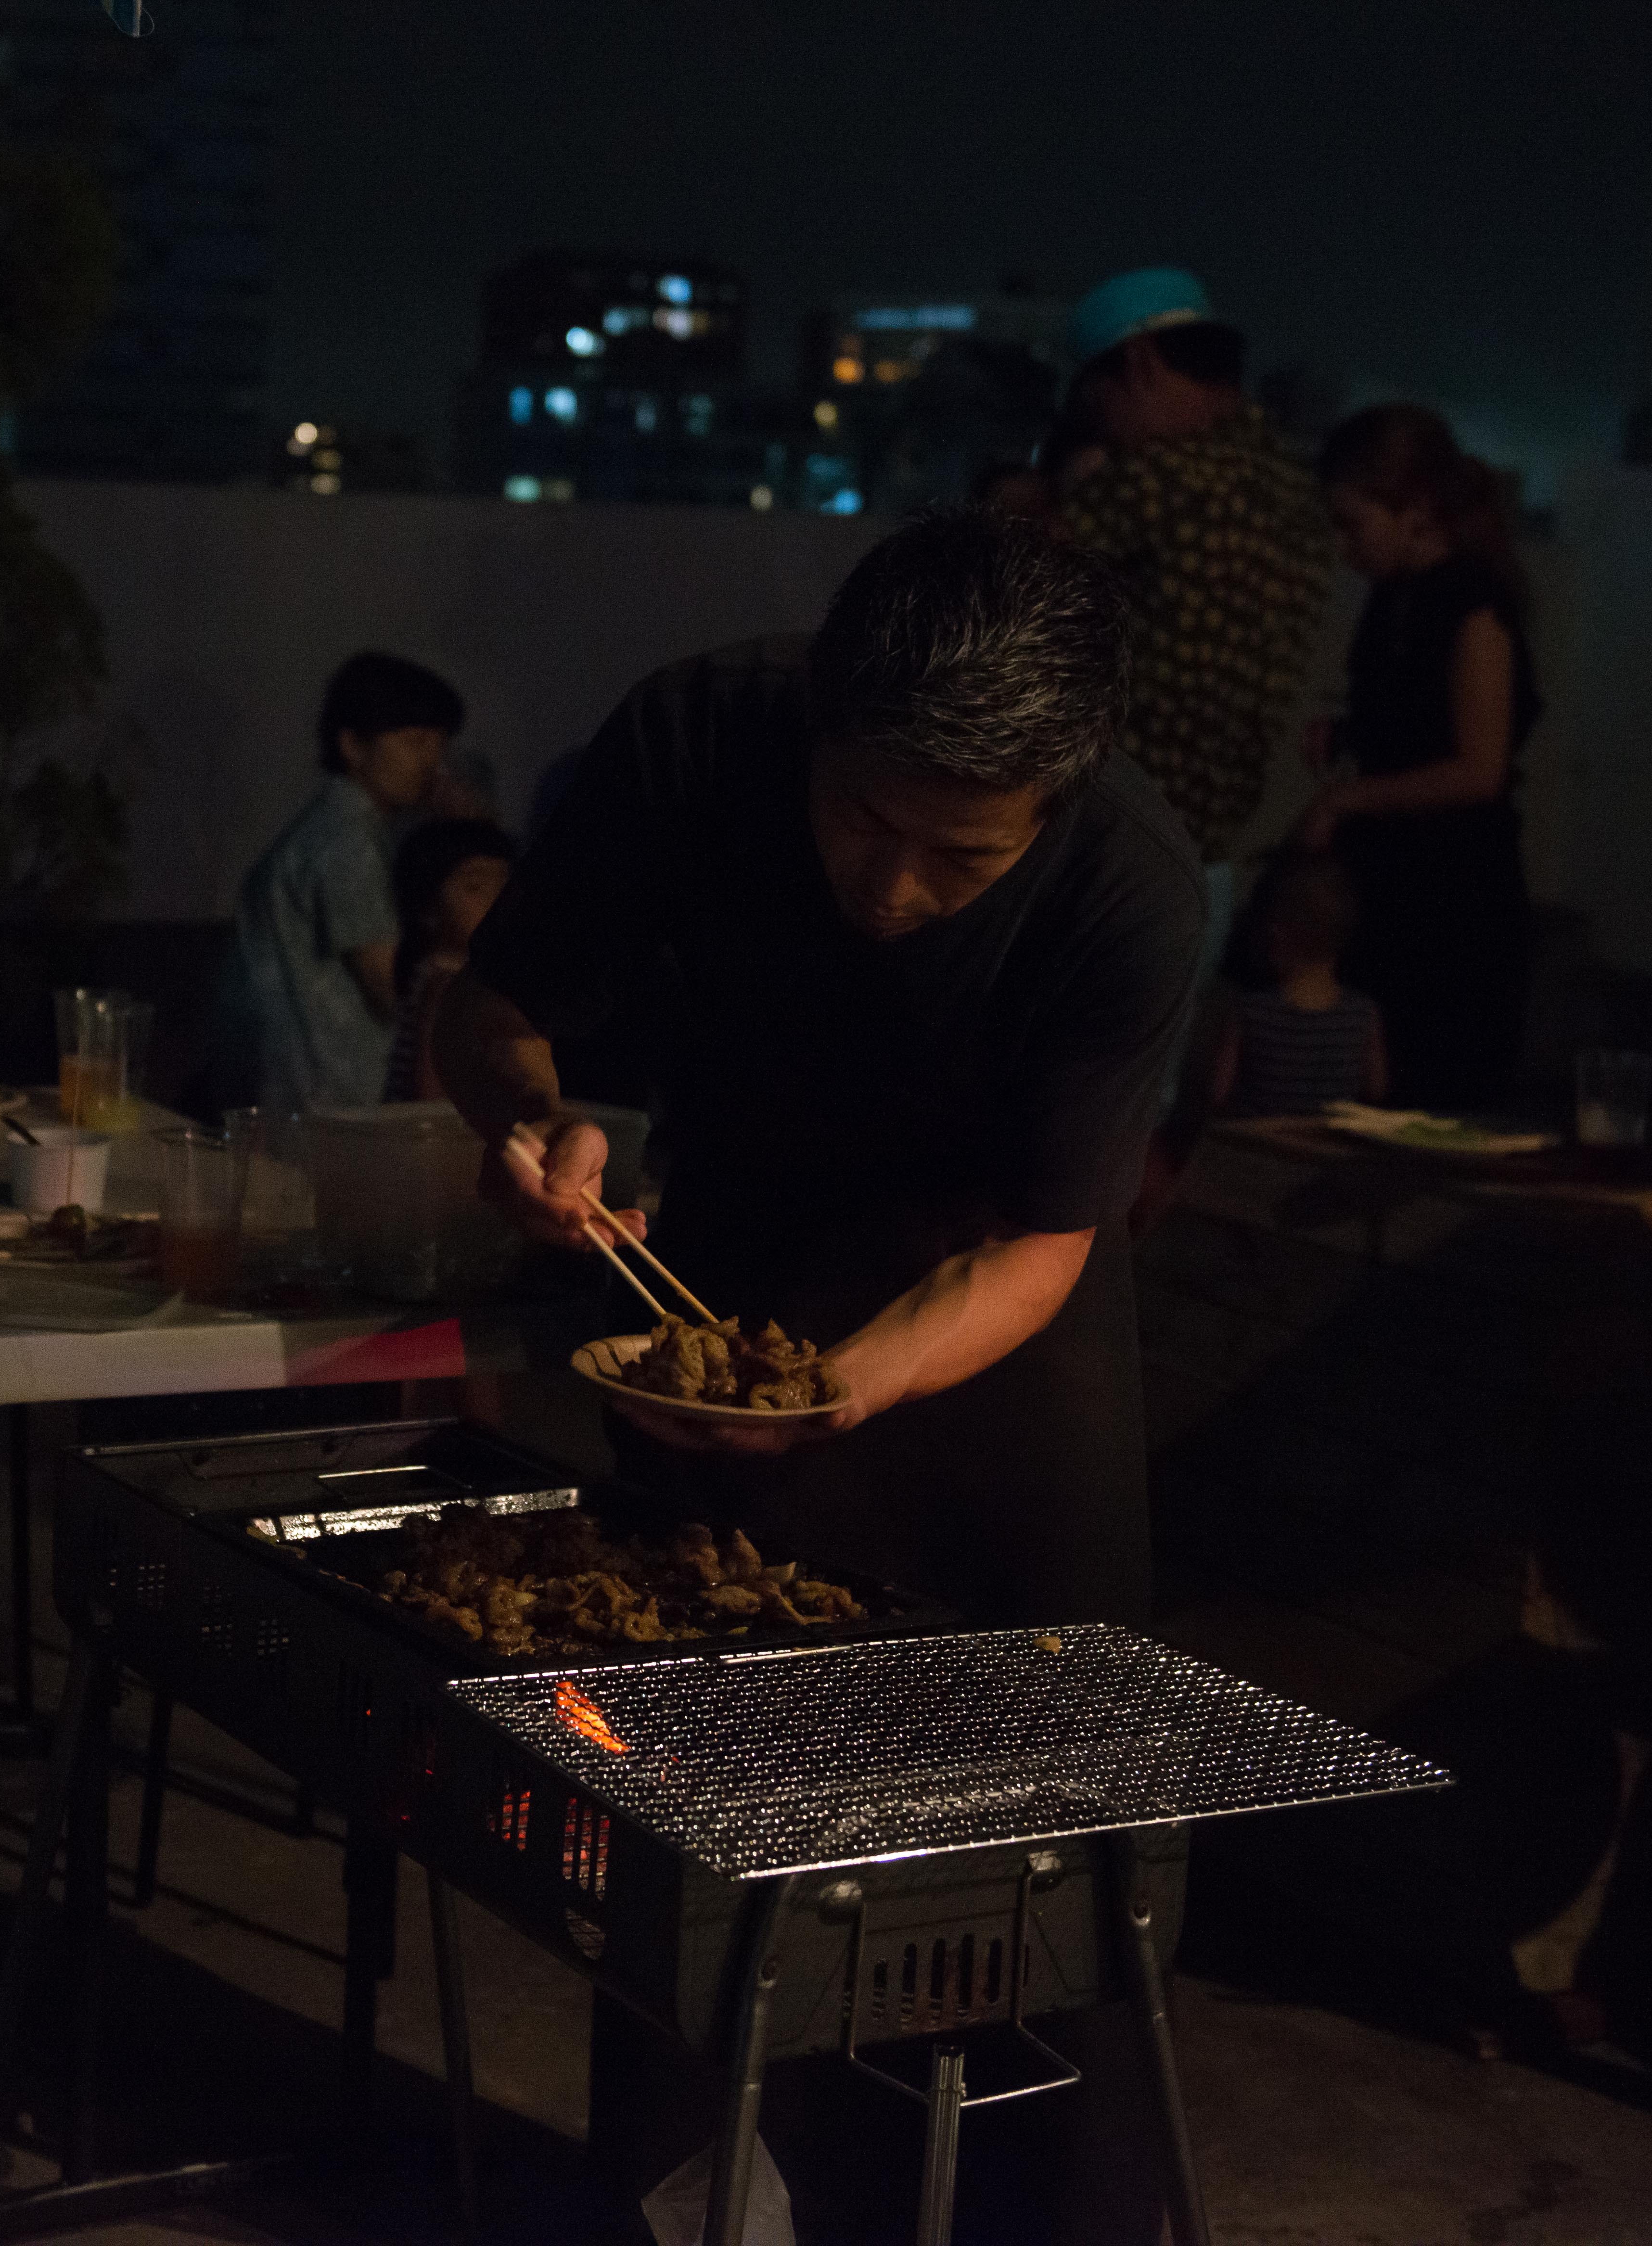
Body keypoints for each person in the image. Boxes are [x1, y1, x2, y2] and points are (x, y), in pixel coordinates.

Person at [434, 510, 1203, 2240]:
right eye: (861, 814)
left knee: (1047, 1815)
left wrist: (837, 1389)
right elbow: (486, 1006)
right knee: (709, 1806)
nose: (892, 884)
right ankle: (703, 2212)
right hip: (735, 1266)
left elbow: (1040, 1246)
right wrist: (529, 1120)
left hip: (996, 1308)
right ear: (820, 724)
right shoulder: (696, 732)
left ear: (1052, 801)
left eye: (958, 854)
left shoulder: (1129, 880)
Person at [1051, 267, 1337, 928]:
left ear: (1140, 365)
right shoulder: (1291, 484)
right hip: (1208, 858)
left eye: (1098, 402)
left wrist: (1066, 485)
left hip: (1106, 845)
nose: (1105, 430)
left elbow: (1016, 572)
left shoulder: (1158, 477)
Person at [1292, 403, 1544, 1109]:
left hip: (1452, 898)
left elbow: (1478, 769)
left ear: (1416, 509)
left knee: (1429, 1091)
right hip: (1396, 883)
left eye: (1353, 524)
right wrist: (1349, 732)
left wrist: (1346, 798)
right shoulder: (1396, 597)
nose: (1343, 546)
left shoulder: (1472, 605)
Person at [216, 651, 464, 1113]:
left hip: (298, 1099)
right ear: (353, 746)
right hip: (327, 1108)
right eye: (415, 742)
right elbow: (390, 986)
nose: (434, 763)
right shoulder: (348, 840)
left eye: (439, 745)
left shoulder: (339, 829)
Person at [1208, 850, 1387, 1117]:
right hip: (1321, 1142)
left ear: (1277, 933)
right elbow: (1376, 1089)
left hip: (1254, 1140)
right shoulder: (1362, 1016)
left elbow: (1217, 1094)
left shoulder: (1250, 1013)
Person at [380, 818, 514, 1105]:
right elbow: (431, 1094)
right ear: (428, 908)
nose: (497, 899)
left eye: (505, 884)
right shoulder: (448, 983)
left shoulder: (453, 975)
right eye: (475, 887)